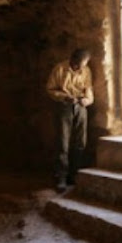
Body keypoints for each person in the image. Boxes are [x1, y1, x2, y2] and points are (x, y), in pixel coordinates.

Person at [46, 48, 94, 192]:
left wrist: (88, 100)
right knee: (63, 142)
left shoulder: (86, 71)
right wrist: (64, 97)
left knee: (80, 142)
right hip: (64, 107)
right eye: (79, 64)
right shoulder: (60, 69)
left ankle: (74, 175)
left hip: (80, 107)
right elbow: (50, 89)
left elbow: (89, 89)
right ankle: (61, 176)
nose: (81, 67)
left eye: (84, 64)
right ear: (73, 60)